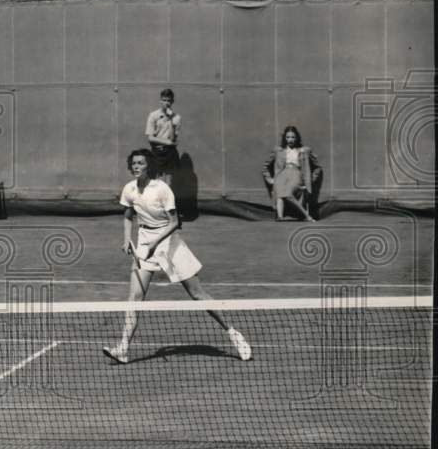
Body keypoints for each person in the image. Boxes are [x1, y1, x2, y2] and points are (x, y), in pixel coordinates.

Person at [104, 150, 252, 364]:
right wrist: (127, 238)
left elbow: (174, 222)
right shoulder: (129, 189)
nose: (136, 167)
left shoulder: (162, 189)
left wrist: (156, 242)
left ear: (149, 166)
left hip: (169, 243)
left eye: (141, 163)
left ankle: (233, 333)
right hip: (145, 245)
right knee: (134, 298)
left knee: (198, 295)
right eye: (133, 163)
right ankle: (123, 348)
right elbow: (128, 216)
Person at [263, 126, 321, 221]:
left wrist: (310, 180)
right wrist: (270, 179)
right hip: (281, 175)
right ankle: (280, 217)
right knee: (280, 193)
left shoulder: (305, 150)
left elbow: (318, 167)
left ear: (297, 138)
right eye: (288, 137)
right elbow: (265, 166)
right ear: (285, 138)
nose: (290, 140)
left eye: (293, 137)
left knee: (287, 194)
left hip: (296, 173)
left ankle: (307, 216)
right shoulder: (278, 150)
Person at [144, 88, 180, 184]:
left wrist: (171, 120)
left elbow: (172, 139)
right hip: (157, 151)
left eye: (169, 100)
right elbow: (150, 138)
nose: (166, 103)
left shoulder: (176, 117)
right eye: (164, 100)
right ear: (160, 100)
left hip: (170, 152)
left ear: (172, 101)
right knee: (156, 182)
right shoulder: (153, 115)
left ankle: (167, 199)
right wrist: (166, 142)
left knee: (169, 183)